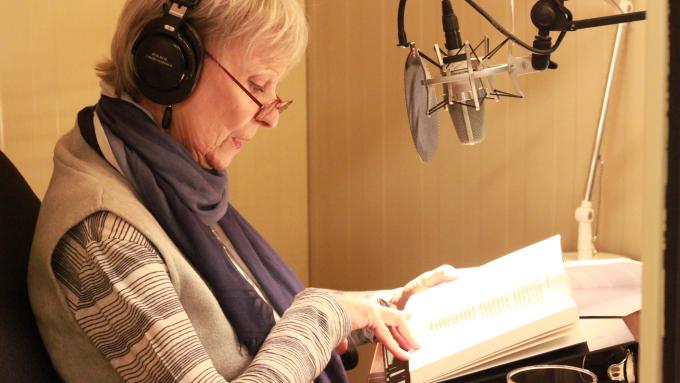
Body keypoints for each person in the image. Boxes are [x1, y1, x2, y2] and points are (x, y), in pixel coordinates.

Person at [27, 1, 456, 382]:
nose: (270, 117)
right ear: (169, 66)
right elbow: (303, 323)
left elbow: (267, 327)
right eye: (256, 85)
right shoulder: (105, 238)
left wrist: (389, 306)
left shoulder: (163, 177)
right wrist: (326, 314)